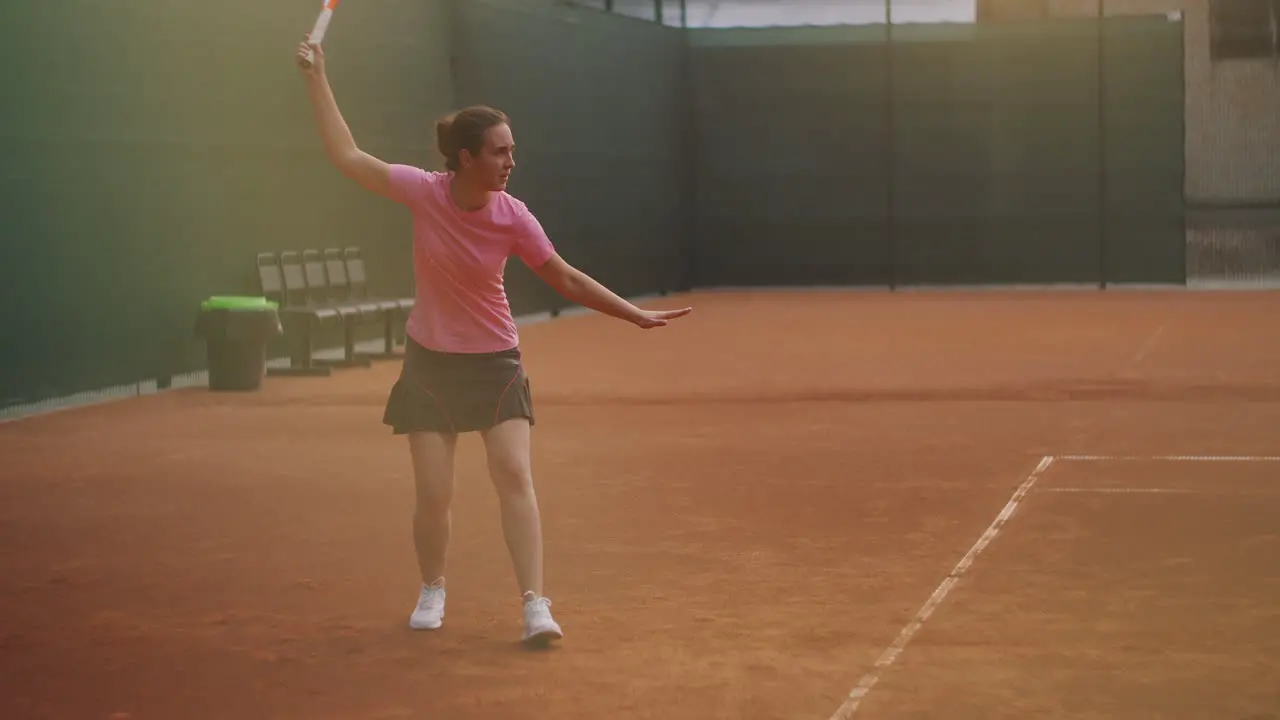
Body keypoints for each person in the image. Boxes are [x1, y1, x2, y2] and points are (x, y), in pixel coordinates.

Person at [295, 35, 692, 645]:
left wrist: (632, 314)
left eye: (512, 150)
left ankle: (536, 605)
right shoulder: (423, 192)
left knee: (512, 473)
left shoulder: (513, 215)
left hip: (495, 361)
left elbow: (562, 276)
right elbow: (347, 156)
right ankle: (433, 587)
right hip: (430, 362)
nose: (510, 160)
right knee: (434, 493)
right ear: (463, 158)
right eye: (499, 151)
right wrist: (316, 75)